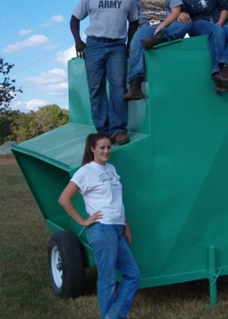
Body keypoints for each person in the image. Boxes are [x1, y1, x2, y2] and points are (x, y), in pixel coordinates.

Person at [58, 133, 140, 318]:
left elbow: (117, 200)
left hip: (116, 228)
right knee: (108, 278)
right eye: (102, 147)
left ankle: (113, 316)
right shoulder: (86, 171)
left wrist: (125, 226)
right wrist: (83, 221)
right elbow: (64, 199)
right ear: (92, 148)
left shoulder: (111, 168)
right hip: (102, 229)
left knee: (133, 275)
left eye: (109, 147)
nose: (106, 151)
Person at [70, 0, 138, 146]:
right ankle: (103, 131)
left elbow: (134, 22)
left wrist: (129, 44)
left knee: (118, 87)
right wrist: (78, 41)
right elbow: (74, 19)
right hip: (94, 45)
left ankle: (118, 130)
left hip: (117, 46)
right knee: (96, 89)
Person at [121, 0, 192, 101]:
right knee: (136, 41)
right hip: (147, 26)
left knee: (188, 21)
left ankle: (159, 38)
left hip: (166, 25)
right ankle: (135, 85)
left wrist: (162, 27)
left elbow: (176, 11)